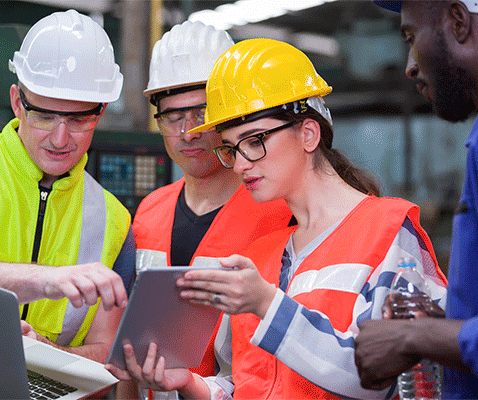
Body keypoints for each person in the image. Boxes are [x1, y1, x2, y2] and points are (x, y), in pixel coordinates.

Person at [107, 38, 447, 399]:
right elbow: (250, 386)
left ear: (308, 133)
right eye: (231, 148)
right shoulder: (265, 256)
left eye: (254, 141)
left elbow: (377, 378)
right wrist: (191, 384)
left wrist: (267, 304)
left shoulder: (387, 232)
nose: (239, 164)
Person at [355, 0, 478, 398]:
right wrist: (450, 325)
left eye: (411, 36)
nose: (409, 65)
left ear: (458, 22)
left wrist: (416, 336)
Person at [0, 9, 135, 364]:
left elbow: (107, 351)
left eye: (78, 119)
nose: (60, 138)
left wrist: (49, 355)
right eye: (45, 116)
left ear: (101, 112)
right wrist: (47, 280)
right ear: (18, 102)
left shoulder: (114, 221)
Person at [116, 22, 293, 399]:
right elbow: (130, 349)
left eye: (201, 113)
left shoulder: (280, 214)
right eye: (172, 117)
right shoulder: (149, 212)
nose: (188, 132)